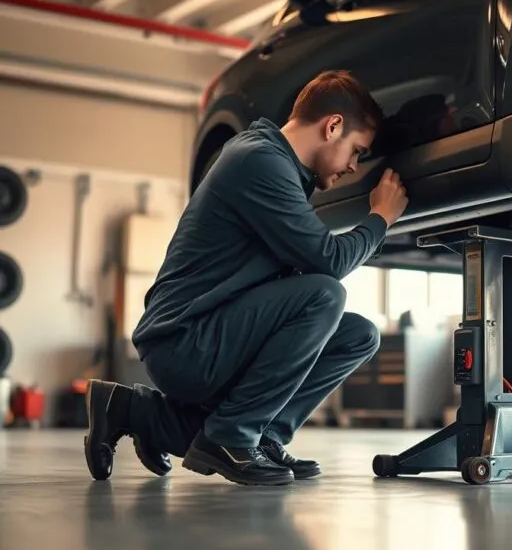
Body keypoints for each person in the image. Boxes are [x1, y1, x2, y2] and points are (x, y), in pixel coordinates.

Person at [83, 70, 408, 486]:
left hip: (210, 334)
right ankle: (234, 437)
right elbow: (329, 261)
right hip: (184, 342)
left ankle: (221, 429)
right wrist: (380, 218)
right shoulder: (260, 161)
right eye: (357, 151)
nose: (352, 166)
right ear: (333, 126)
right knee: (324, 294)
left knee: (359, 335)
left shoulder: (278, 166)